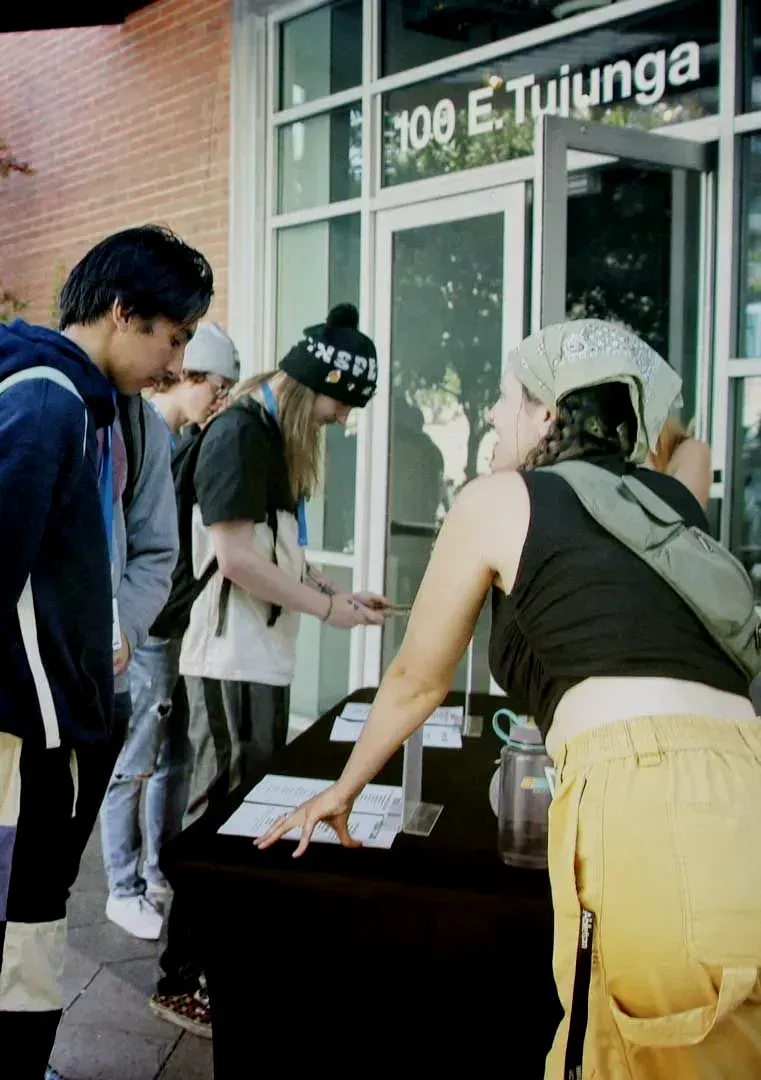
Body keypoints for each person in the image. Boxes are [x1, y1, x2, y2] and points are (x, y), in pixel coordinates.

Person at [258, 319, 761, 1079]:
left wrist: (342, 790)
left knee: (622, 1058)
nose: (493, 415)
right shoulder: (668, 504)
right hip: (743, 779)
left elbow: (414, 680)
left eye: (506, 397)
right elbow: (688, 449)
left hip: (646, 798)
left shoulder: (499, 499)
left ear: (550, 414)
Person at [0, 224, 213, 1077]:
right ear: (125, 314)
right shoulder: (49, 398)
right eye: (174, 334)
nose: (176, 359)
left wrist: (107, 634)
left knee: (34, 915)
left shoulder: (93, 406)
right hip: (31, 724)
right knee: (24, 918)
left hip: (66, 712)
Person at [150, 302, 389, 1036]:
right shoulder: (238, 433)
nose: (344, 421)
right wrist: (326, 610)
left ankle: (217, 964)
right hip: (227, 657)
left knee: (239, 805)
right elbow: (235, 560)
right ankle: (181, 976)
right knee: (221, 812)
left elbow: (275, 553)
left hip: (256, 656)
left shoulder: (263, 435)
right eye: (341, 404)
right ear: (310, 385)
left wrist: (332, 594)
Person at [99, 323, 239, 940]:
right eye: (217, 384)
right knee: (135, 760)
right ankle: (121, 885)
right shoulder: (150, 435)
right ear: (188, 375)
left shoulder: (185, 438)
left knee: (174, 759)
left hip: (175, 625)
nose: (223, 398)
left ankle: (156, 872)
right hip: (145, 630)